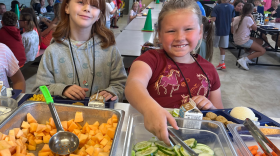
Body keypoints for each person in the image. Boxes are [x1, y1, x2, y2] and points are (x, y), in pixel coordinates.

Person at [125, 0, 223, 145]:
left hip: (196, 143)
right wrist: (149, 108)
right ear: (159, 33)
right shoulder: (150, 60)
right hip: (153, 140)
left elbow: (219, 116)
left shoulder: (209, 70)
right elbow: (134, 84)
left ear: (200, 31)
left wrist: (211, 108)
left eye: (188, 29)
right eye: (171, 31)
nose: (179, 37)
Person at [32, 0, 127, 101]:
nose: (87, 8)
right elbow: (39, 90)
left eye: (94, 6)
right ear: (67, 8)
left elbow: (121, 85)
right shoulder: (52, 52)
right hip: (63, 115)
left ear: (99, 15)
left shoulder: (110, 49)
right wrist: (61, 89)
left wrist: (112, 92)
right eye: (81, 2)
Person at [232, 3, 266, 70]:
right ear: (251, 11)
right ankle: (244, 59)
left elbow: (232, 31)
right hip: (243, 40)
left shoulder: (235, 18)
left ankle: (246, 55)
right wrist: (252, 18)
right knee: (263, 50)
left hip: (236, 39)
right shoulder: (248, 19)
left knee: (260, 41)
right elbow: (255, 28)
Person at [211, 0, 235, 70]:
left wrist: (208, 20)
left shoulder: (217, 7)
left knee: (211, 47)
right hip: (226, 31)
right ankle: (222, 63)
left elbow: (213, 19)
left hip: (217, 30)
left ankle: (208, 62)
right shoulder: (231, 7)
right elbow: (232, 19)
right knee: (222, 48)